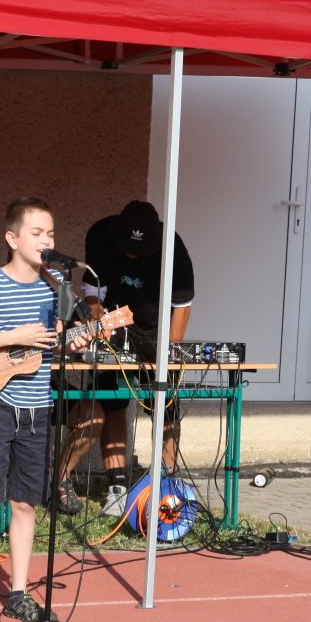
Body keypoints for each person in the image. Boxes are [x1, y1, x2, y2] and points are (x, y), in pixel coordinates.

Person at [0, 197, 91, 622]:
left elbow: (55, 343)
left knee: (25, 503)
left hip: (38, 409)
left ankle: (19, 592)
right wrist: (14, 336)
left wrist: (74, 343)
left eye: (51, 234)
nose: (46, 241)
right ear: (12, 238)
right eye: (37, 233)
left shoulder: (56, 288)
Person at [56, 200, 195, 517]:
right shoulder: (100, 235)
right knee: (112, 403)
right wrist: (95, 321)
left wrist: (170, 353)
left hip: (156, 331)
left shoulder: (174, 248)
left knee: (166, 406)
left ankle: (166, 486)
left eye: (139, 249)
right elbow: (93, 290)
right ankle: (117, 488)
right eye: (127, 247)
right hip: (114, 329)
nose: (132, 254)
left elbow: (182, 305)